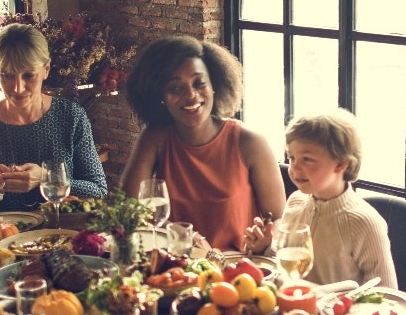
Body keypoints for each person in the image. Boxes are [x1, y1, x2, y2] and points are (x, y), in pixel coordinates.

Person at [120, 35, 285, 250]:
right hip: (177, 268)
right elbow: (128, 208)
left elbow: (281, 218)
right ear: (159, 96)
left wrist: (267, 238)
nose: (191, 95)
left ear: (214, 85)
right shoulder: (155, 138)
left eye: (199, 83)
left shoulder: (249, 141)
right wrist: (175, 233)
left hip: (238, 270)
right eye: (175, 89)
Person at [0, 23, 107, 216]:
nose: (18, 88)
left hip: (62, 235)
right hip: (2, 241)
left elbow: (99, 192)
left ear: (46, 69)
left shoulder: (71, 117)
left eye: (28, 75)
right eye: (7, 76)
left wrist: (47, 178)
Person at [241, 109, 396, 288]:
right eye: (292, 157)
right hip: (294, 312)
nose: (294, 167)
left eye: (306, 159)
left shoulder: (364, 222)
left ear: (340, 164)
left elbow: (386, 294)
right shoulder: (295, 202)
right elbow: (282, 270)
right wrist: (263, 248)